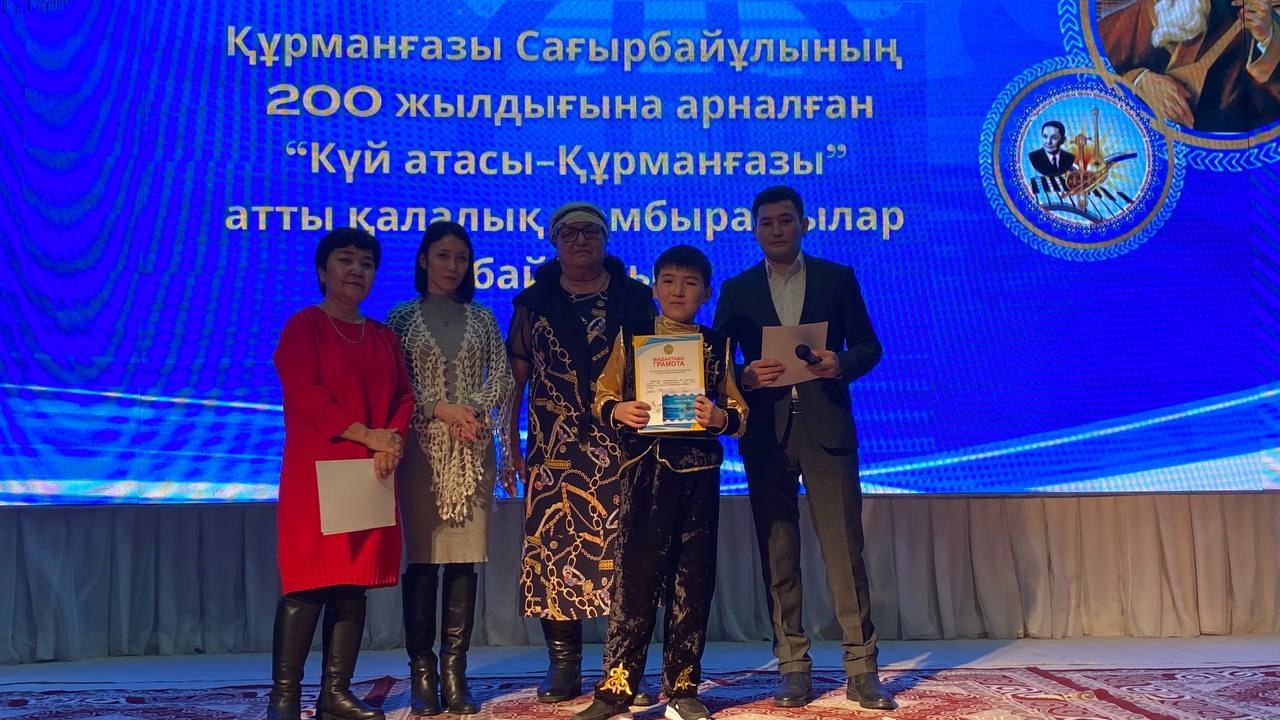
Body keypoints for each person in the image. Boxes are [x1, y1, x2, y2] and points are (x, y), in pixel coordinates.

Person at [712, 186, 894, 711]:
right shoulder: (738, 289)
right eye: (766, 222)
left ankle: (862, 669)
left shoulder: (838, 278)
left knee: (844, 552)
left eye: (786, 220)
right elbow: (715, 362)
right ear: (754, 230)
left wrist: (841, 363)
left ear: (804, 224)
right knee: (779, 553)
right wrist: (745, 375)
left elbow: (869, 346)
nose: (776, 230)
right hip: (766, 436)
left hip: (827, 431)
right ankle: (792, 667)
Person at [573, 245, 747, 720]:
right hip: (644, 470)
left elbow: (739, 411)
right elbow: (601, 395)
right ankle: (615, 690)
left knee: (692, 583)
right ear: (654, 288)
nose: (678, 291)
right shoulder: (633, 338)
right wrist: (619, 410)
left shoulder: (718, 345)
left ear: (706, 292)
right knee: (634, 582)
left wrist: (720, 418)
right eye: (668, 281)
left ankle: (683, 689)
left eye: (690, 283)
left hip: (698, 475)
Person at [502, 202, 656, 704]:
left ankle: (622, 668)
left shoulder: (635, 297)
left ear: (606, 239)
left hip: (623, 444)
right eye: (569, 233)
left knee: (625, 555)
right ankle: (563, 664)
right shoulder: (533, 303)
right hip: (554, 448)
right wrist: (510, 445)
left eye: (591, 231)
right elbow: (516, 380)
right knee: (553, 551)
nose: (581, 240)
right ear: (554, 242)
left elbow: (656, 367)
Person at [268, 227, 413, 720]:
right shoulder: (304, 326)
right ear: (322, 271)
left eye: (366, 263)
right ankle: (284, 699)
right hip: (316, 476)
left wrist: (391, 440)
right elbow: (306, 394)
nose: (357, 270)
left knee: (352, 585)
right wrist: (369, 436)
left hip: (370, 473)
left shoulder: (383, 336)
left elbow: (403, 397)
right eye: (346, 260)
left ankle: (336, 695)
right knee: (308, 584)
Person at [387, 221, 513, 717]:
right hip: (421, 453)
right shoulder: (400, 318)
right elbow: (396, 384)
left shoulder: (482, 317)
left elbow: (501, 376)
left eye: (461, 258)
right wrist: (441, 410)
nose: (453, 266)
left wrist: (472, 411)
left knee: (464, 560)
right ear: (423, 260)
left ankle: (455, 671)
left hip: (474, 449)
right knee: (423, 560)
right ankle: (422, 671)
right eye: (443, 256)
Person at [1098, 0, 1280, 132]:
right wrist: (1138, 81)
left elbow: (1264, 120)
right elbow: (1087, 74)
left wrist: (1268, 43)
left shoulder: (1260, 26)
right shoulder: (1151, 12)